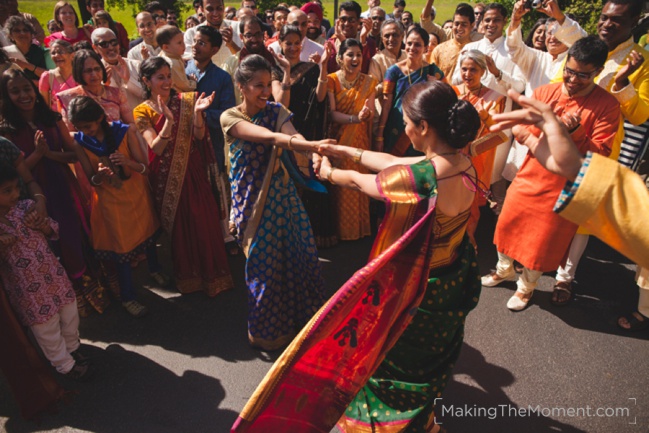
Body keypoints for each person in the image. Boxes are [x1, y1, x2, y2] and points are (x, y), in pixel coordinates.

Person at [231, 80, 482, 433]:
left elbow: (363, 184)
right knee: (429, 365)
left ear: (423, 127)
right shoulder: (463, 162)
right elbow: (395, 162)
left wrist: (332, 172)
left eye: (406, 120)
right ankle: (424, 420)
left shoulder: (420, 180)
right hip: (451, 281)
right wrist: (349, 153)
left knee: (390, 366)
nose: (405, 126)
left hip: (416, 291)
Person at [481, 36, 622, 311]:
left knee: (541, 241)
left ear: (597, 73)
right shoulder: (546, 92)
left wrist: (575, 132)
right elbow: (521, 132)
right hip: (530, 175)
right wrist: (549, 129)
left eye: (582, 75)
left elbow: (600, 152)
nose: (572, 79)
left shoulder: (607, 105)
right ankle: (504, 269)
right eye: (569, 71)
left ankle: (526, 288)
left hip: (565, 186)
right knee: (507, 223)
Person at [221, 54, 330, 350]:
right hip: (251, 201)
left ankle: (304, 324)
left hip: (283, 198)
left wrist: (315, 154)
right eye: (258, 86)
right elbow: (267, 137)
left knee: (301, 256)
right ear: (241, 86)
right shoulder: (230, 117)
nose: (266, 92)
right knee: (264, 268)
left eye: (268, 85)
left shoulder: (276, 110)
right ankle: (268, 334)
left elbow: (291, 134)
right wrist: (307, 146)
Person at [0, 68, 108, 317]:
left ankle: (88, 291)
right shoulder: (6, 131)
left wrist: (49, 154)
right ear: (6, 96)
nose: (23, 95)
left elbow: (73, 154)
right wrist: (38, 155)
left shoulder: (51, 118)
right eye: (14, 91)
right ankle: (66, 298)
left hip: (62, 185)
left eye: (26, 88)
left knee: (73, 234)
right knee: (48, 243)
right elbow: (14, 175)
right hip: (31, 194)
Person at [134, 56, 234, 297]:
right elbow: (156, 148)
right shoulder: (142, 110)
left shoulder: (187, 101)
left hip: (193, 170)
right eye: (161, 77)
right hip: (166, 176)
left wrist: (198, 114)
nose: (167, 81)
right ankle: (189, 278)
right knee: (181, 228)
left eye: (169, 76)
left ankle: (214, 276)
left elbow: (199, 136)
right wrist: (168, 121)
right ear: (147, 81)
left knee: (204, 220)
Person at [68, 96, 166, 318]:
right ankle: (128, 297)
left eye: (89, 126)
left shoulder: (125, 131)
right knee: (122, 250)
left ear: (100, 118)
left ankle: (155, 269)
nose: (86, 131)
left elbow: (144, 168)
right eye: (80, 127)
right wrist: (100, 177)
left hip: (137, 195)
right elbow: (91, 178)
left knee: (148, 233)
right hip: (109, 203)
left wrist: (127, 162)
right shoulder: (80, 142)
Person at [0, 162, 91, 380]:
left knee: (69, 312)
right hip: (28, 290)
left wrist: (42, 225)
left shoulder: (26, 207)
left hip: (53, 275)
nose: (15, 194)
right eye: (7, 191)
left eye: (15, 188)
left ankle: (72, 346)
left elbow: (53, 231)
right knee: (46, 327)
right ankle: (65, 365)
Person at [271, 26, 335, 248]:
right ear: (280, 43)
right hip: (286, 133)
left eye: (296, 42)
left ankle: (311, 236)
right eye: (287, 43)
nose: (292, 47)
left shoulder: (311, 68)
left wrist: (323, 66)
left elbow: (320, 98)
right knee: (287, 185)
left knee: (310, 182)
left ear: (302, 44)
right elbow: (281, 104)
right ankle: (289, 237)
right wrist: (287, 71)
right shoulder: (275, 71)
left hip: (308, 132)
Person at [185, 25, 238, 254]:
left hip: (212, 144)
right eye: (195, 42)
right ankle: (199, 240)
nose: (196, 47)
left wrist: (200, 114)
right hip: (186, 144)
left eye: (202, 43)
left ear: (215, 49)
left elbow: (228, 114)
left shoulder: (222, 78)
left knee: (217, 193)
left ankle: (223, 239)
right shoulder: (181, 69)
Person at [453, 49, 507, 245]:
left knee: (470, 206)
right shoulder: (453, 92)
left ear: (483, 71)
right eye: (464, 69)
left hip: (475, 158)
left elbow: (499, 132)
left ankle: (466, 246)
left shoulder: (493, 97)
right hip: (451, 156)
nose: (467, 74)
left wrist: (485, 116)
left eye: (473, 70)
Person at [327, 39, 377, 241]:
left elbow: (370, 111)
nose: (355, 59)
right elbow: (332, 114)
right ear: (340, 58)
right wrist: (354, 118)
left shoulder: (369, 82)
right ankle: (342, 232)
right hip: (339, 139)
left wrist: (366, 114)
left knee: (360, 183)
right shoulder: (332, 80)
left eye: (358, 54)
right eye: (350, 55)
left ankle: (360, 229)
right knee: (341, 185)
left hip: (360, 139)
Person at [378, 26, 444, 159]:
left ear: (426, 48)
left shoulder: (432, 72)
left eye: (418, 45)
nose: (412, 48)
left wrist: (436, 85)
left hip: (422, 131)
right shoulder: (393, 71)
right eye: (409, 43)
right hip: (395, 128)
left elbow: (447, 97)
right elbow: (386, 104)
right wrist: (379, 134)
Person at [57, 49, 133, 131]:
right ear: (79, 72)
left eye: (97, 69)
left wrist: (117, 130)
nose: (94, 74)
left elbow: (131, 124)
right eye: (88, 71)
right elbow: (70, 134)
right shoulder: (68, 98)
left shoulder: (117, 93)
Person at [223, 16, 276, 104]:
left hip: (269, 114)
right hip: (240, 115)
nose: (254, 39)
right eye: (249, 35)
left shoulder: (273, 60)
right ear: (241, 37)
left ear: (263, 35)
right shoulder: (231, 63)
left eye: (258, 34)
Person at [92, 28, 145, 113]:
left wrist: (128, 81)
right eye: (104, 44)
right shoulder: (95, 74)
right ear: (95, 48)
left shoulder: (136, 65)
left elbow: (147, 95)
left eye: (113, 42)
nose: (110, 47)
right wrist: (104, 85)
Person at [368, 18, 405, 134]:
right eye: (387, 36)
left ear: (402, 36)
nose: (391, 39)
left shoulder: (408, 56)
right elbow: (371, 90)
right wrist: (390, 84)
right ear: (382, 38)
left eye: (395, 35)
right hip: (383, 115)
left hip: (406, 113)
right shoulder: (377, 60)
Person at [183, 0, 242, 69]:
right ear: (202, 9)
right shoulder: (192, 33)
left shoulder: (238, 28)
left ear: (223, 7)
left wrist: (231, 44)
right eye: (210, 9)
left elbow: (247, 59)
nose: (215, 13)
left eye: (219, 8)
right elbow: (188, 63)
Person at [325, 1, 378, 74]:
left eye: (351, 20)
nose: (346, 24)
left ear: (359, 21)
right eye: (343, 19)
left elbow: (364, 71)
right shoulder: (330, 44)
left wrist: (362, 39)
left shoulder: (369, 43)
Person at [430, 3, 475, 78]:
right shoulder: (439, 50)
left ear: (472, 26)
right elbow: (432, 78)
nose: (459, 28)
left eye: (464, 24)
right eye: (456, 24)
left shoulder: (476, 50)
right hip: (443, 89)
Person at [4, 16, 52, 84]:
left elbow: (52, 78)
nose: (22, 33)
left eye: (25, 30)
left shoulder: (43, 53)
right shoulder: (6, 54)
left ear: (31, 34)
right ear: (10, 35)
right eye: (17, 30)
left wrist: (26, 65)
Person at [39, 41, 77, 112]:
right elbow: (45, 106)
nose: (56, 55)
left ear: (72, 55)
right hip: (59, 120)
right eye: (53, 53)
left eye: (61, 52)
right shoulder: (47, 77)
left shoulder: (80, 74)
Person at [157, 25, 197, 93]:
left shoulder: (166, 54)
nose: (183, 45)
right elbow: (184, 85)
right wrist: (193, 82)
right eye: (179, 43)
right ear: (166, 47)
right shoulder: (172, 64)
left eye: (183, 41)